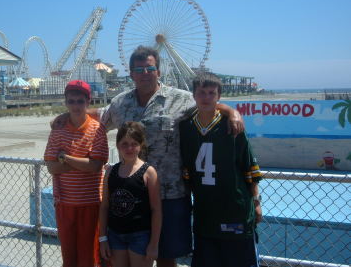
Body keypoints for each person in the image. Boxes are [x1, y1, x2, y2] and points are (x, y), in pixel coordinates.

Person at [53, 45, 244, 267]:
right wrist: (67, 115)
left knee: (165, 256)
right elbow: (98, 118)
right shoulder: (121, 102)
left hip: (168, 193)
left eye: (150, 68)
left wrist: (232, 112)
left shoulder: (180, 99)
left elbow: (208, 104)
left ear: (158, 72)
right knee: (124, 257)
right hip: (129, 194)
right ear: (131, 73)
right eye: (139, 69)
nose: (145, 73)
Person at [179, 73, 262, 267]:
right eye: (201, 93)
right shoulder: (186, 127)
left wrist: (256, 201)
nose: (206, 97)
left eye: (211, 93)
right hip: (205, 214)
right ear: (193, 95)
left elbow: (248, 167)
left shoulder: (232, 126)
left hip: (235, 211)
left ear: (219, 97)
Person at [44, 80, 109, 267]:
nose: (75, 105)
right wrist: (83, 162)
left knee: (89, 258)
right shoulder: (58, 129)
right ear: (66, 102)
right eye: (71, 101)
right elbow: (51, 167)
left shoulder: (97, 130)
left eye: (80, 101)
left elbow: (96, 166)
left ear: (88, 102)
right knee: (69, 258)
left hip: (91, 203)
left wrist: (64, 157)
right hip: (64, 203)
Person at [99, 121, 162, 267]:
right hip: (115, 235)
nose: (129, 148)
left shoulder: (149, 172)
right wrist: (103, 238)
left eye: (134, 143)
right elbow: (104, 206)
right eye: (124, 144)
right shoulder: (110, 172)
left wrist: (154, 244)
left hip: (140, 236)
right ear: (118, 145)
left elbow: (156, 210)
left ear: (141, 145)